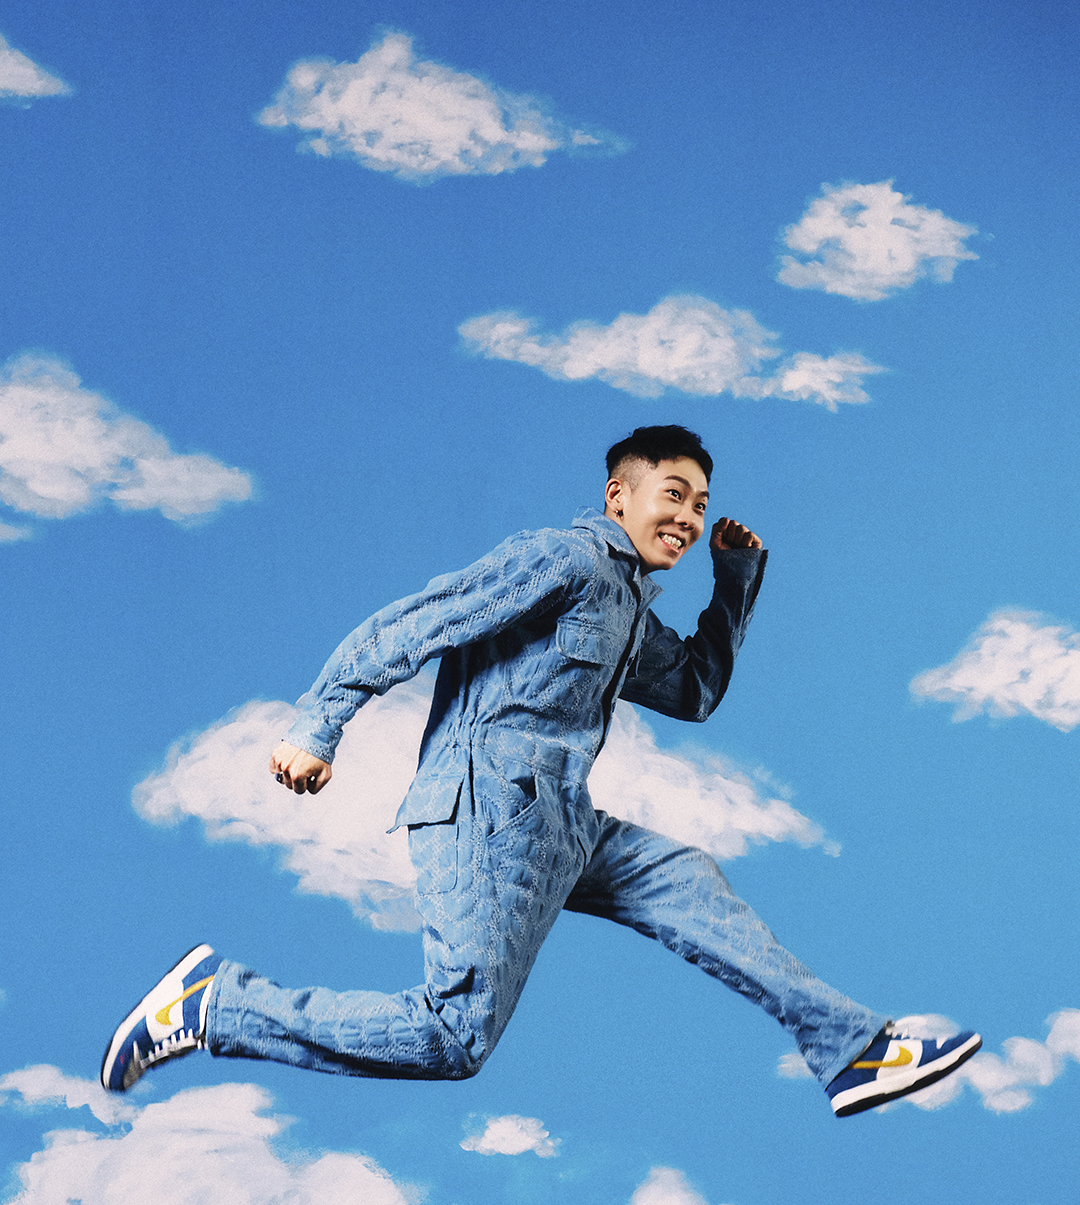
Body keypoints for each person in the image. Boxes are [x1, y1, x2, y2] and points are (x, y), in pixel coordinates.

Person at [102, 425, 980, 1116]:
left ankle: (852, 1048)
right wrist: (319, 724)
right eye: (671, 494)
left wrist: (736, 581)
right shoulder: (560, 560)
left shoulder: (629, 602)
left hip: (564, 821)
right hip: (487, 810)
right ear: (618, 495)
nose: (687, 515)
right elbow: (417, 622)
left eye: (700, 503)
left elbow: (696, 692)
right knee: (455, 1037)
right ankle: (214, 1005)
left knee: (688, 880)